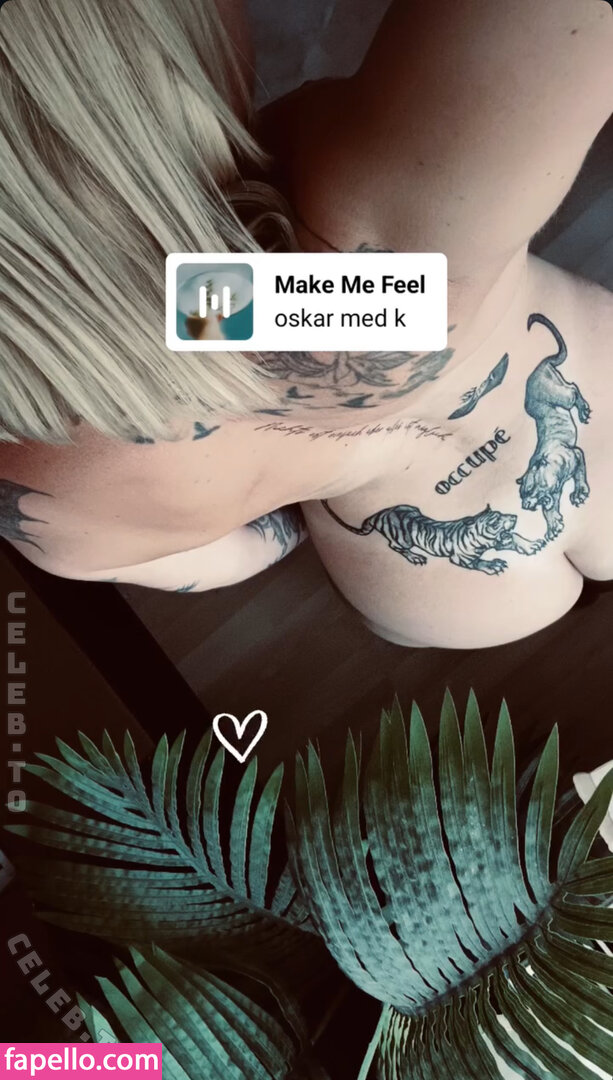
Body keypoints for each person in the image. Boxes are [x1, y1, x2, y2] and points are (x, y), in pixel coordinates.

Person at [1, 0, 612, 650]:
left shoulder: (41, 488)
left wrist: (279, 467)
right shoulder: (366, 201)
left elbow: (232, 558)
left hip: (444, 599)